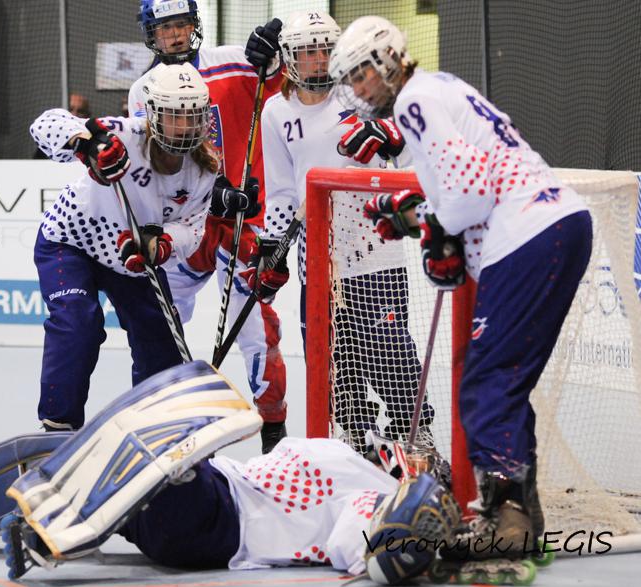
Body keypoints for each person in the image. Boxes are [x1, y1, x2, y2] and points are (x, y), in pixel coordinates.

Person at [329, 16, 592, 561]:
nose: (357, 88)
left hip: (526, 233)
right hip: (555, 223)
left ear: (385, 62)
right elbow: (463, 185)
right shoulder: (443, 87)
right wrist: (422, 219)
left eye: (361, 75)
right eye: (350, 79)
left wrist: (433, 228)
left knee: (486, 380)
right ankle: (519, 512)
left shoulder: (412, 103)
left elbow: (468, 195)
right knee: (503, 381)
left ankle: (507, 520)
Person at [0, 361, 462, 587]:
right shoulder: (356, 463)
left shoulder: (371, 493)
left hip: (216, 519)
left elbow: (372, 555)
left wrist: (411, 531)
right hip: (208, 505)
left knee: (87, 452)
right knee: (59, 454)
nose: (413, 456)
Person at [29, 62, 254, 431]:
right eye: (174, 116)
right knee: (78, 322)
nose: (184, 127)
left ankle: (157, 426)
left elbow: (192, 227)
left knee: (162, 337)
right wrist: (87, 144)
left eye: (192, 117)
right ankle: (57, 428)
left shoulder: (205, 169)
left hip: (129, 259)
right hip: (71, 241)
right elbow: (45, 124)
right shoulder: (123, 134)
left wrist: (161, 244)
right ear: (152, 114)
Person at [259, 10, 435, 453]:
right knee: (335, 359)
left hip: (376, 248)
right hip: (317, 257)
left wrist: (386, 129)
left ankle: (415, 435)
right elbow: (282, 191)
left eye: (325, 50)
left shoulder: (359, 95)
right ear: (290, 58)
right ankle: (351, 439)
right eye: (307, 52)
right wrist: (274, 248)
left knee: (390, 351)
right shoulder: (277, 112)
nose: (318, 60)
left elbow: (414, 146)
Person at [128, 0, 290, 453]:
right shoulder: (143, 89)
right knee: (162, 320)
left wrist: (272, 57)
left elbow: (281, 85)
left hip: (244, 222)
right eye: (165, 29)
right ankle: (167, 419)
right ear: (151, 34)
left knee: (257, 328)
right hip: (185, 223)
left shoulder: (233, 62)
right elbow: (152, 161)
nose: (175, 36)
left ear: (194, 28)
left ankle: (273, 431)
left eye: (182, 25)